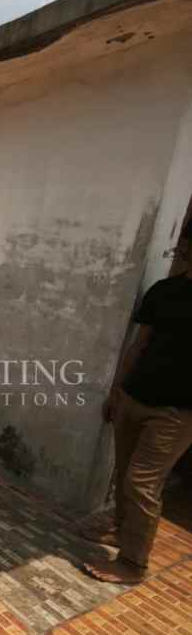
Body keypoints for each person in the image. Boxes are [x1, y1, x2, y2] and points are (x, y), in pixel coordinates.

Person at [82, 223, 192, 583]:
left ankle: (133, 564)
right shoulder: (164, 291)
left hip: (176, 413)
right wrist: (116, 392)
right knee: (124, 473)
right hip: (134, 397)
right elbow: (139, 345)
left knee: (141, 483)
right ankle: (120, 529)